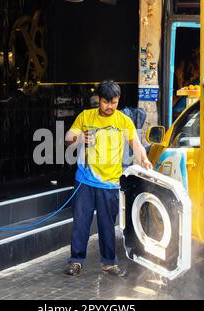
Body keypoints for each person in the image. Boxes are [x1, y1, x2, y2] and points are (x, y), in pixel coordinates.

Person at [64, 80, 153, 276]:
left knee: (107, 225)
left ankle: (108, 263)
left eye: (114, 102)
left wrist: (144, 161)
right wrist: (79, 139)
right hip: (86, 180)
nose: (110, 107)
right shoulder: (86, 116)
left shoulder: (123, 121)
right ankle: (76, 261)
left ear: (118, 100)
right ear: (99, 99)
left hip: (110, 182)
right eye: (106, 102)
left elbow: (136, 145)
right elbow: (68, 137)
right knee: (81, 223)